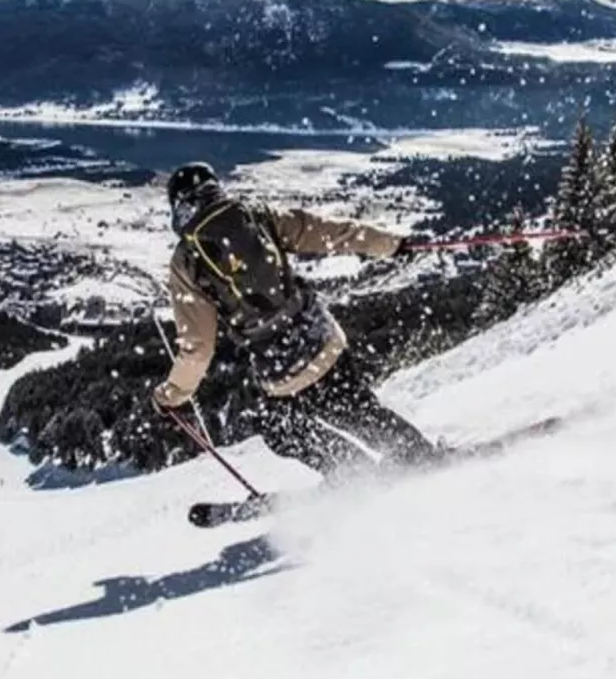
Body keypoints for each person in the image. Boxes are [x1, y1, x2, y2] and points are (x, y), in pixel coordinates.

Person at [150, 161, 441, 478]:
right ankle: (421, 457)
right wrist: (391, 244)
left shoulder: (186, 261)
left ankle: (353, 475)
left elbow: (198, 347)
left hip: (280, 367)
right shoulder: (256, 215)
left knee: (278, 427)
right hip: (323, 339)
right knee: (359, 412)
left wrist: (172, 396)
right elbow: (329, 232)